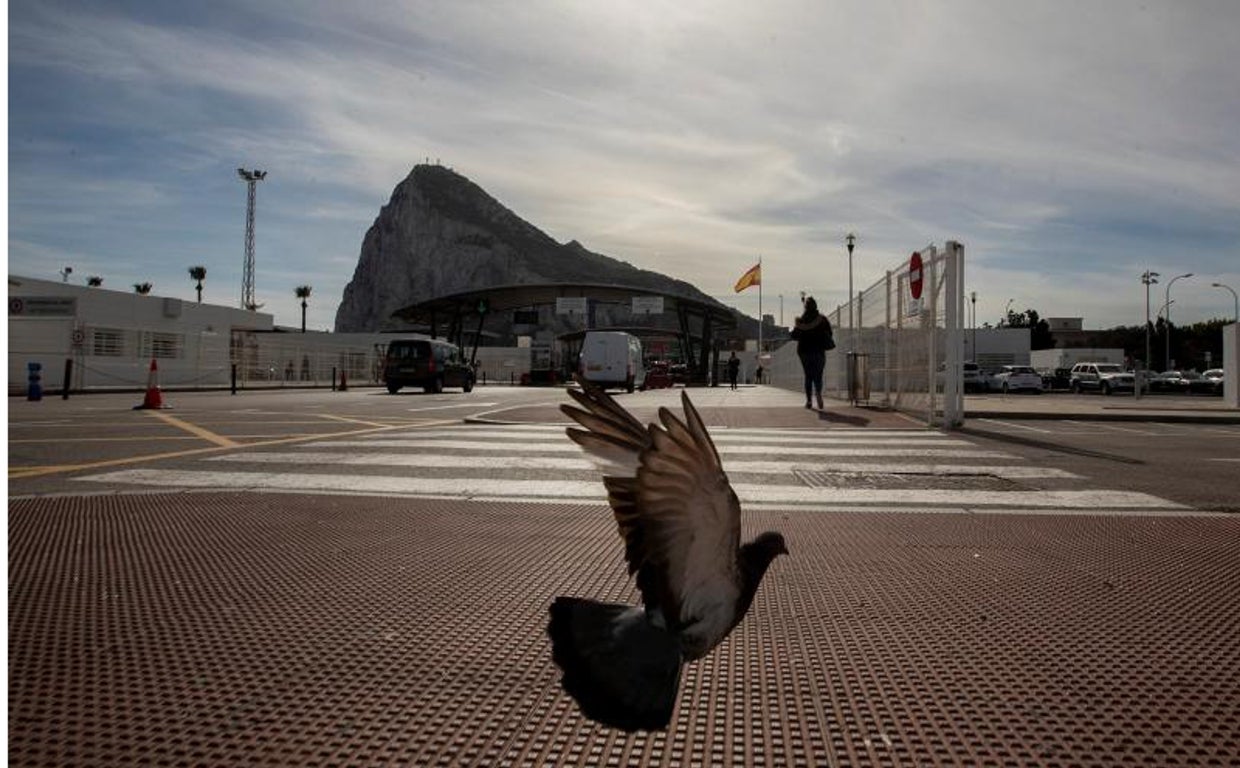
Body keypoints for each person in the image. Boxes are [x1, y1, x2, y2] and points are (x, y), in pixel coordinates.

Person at [790, 296, 834, 409]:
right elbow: (830, 333)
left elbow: (794, 336)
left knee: (808, 376)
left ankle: (809, 401)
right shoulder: (822, 319)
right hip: (819, 351)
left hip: (804, 352)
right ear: (816, 306)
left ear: (805, 307)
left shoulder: (801, 321)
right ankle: (818, 393)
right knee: (818, 375)